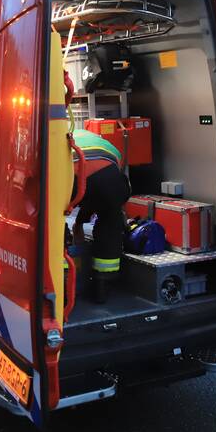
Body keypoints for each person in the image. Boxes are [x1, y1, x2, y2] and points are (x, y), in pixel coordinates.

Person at [71, 127, 131, 302]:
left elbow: (86, 190)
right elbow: (99, 192)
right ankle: (103, 284)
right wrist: (81, 220)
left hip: (74, 177)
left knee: (53, 221)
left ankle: (64, 279)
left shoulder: (62, 135)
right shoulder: (106, 144)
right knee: (110, 221)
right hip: (111, 181)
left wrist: (77, 224)